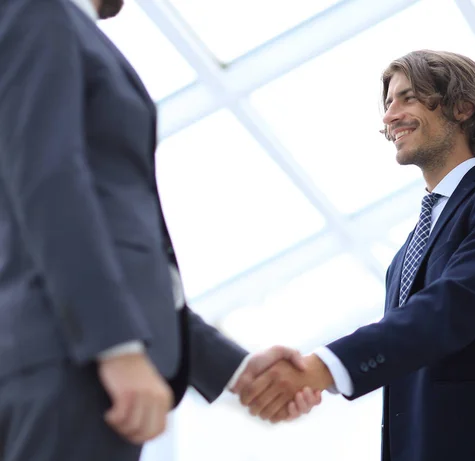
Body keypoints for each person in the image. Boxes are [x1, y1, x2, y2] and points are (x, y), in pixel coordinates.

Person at [0, 1, 318, 460]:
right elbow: (49, 183)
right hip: (70, 360)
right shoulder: (37, 11)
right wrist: (114, 347)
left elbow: (114, 244)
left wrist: (235, 369)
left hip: (75, 359)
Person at [237, 50, 475, 461]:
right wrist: (316, 378)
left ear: (462, 107)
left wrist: (324, 368)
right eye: (388, 103)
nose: (390, 116)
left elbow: (452, 307)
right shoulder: (404, 256)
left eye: (407, 98)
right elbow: (407, 349)